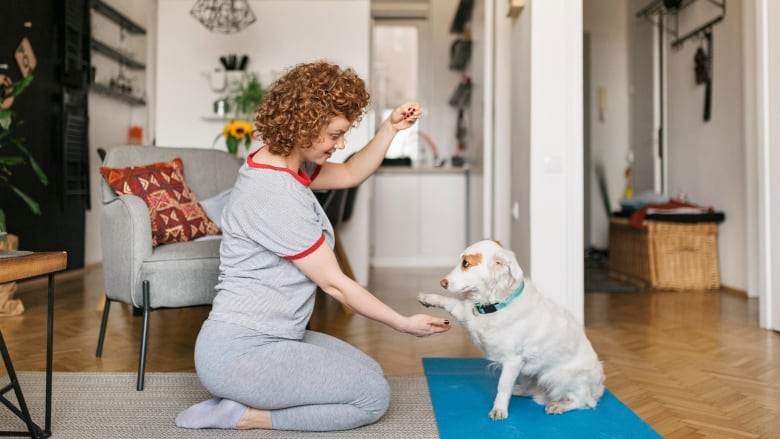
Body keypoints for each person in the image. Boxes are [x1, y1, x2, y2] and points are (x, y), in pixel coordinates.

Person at [175, 61, 451, 432]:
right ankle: (245, 415)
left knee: (370, 372)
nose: (340, 145)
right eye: (335, 135)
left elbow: (351, 174)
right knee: (372, 396)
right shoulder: (275, 194)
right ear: (304, 124)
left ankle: (248, 396)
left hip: (274, 337)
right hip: (239, 353)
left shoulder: (282, 163)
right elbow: (335, 284)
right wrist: (402, 323)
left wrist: (390, 129)